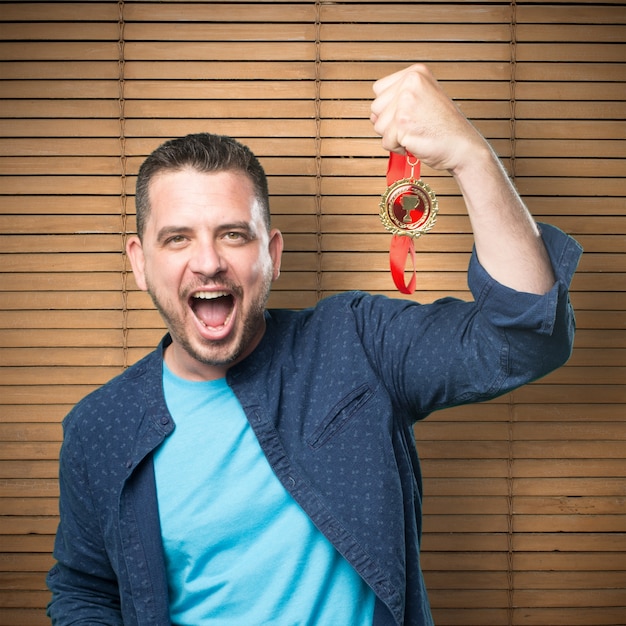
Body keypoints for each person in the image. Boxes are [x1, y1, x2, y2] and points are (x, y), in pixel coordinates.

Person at [46, 64, 582, 626]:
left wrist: (471, 155)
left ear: (272, 254)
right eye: (177, 239)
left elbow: (522, 339)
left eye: (233, 234)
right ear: (140, 262)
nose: (207, 262)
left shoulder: (354, 342)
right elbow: (85, 590)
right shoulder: (97, 428)